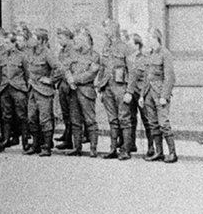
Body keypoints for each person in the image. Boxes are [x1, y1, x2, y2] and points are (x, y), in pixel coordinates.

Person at [96, 18, 136, 160]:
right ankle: (113, 149)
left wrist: (129, 91)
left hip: (120, 87)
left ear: (114, 29)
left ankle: (126, 150)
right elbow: (102, 68)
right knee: (112, 119)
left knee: (124, 119)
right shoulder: (106, 47)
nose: (104, 31)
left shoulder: (126, 47)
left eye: (107, 28)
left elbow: (132, 71)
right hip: (107, 87)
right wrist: (100, 88)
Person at [139, 28, 177, 163]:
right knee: (153, 124)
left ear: (155, 38)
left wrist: (164, 96)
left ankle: (172, 153)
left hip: (160, 94)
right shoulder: (150, 54)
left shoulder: (165, 54)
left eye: (148, 38)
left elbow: (170, 77)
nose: (147, 40)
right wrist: (142, 95)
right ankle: (159, 152)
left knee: (163, 123)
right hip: (149, 93)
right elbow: (146, 77)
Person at [63, 27, 100, 157]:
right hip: (73, 90)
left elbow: (91, 74)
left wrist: (75, 79)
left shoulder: (94, 56)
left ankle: (93, 148)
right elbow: (66, 68)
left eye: (78, 40)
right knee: (75, 120)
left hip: (86, 91)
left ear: (85, 41)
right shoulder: (73, 54)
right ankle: (77, 147)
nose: (75, 43)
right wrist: (70, 80)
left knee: (90, 120)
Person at [25, 28, 62, 157]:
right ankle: (35, 145)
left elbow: (59, 68)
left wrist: (50, 80)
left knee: (45, 119)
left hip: (44, 91)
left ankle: (47, 146)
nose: (31, 40)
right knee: (31, 118)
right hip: (32, 90)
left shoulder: (47, 53)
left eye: (34, 38)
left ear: (40, 40)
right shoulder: (31, 52)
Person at [0, 30, 30, 153]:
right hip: (5, 88)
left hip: (18, 88)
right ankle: (6, 139)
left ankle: (25, 141)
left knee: (21, 115)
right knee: (6, 115)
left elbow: (27, 74)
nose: (5, 45)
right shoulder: (1, 56)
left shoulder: (22, 56)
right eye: (4, 43)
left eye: (7, 43)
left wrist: (27, 88)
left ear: (13, 43)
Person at [127, 33, 154, 157]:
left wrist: (143, 94)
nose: (128, 45)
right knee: (131, 119)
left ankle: (151, 146)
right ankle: (131, 144)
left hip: (142, 92)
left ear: (137, 45)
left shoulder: (145, 58)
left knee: (147, 120)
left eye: (131, 43)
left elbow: (147, 78)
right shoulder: (128, 58)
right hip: (131, 92)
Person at [55, 27, 76, 151]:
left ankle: (69, 140)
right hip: (62, 84)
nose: (59, 40)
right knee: (65, 113)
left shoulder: (72, 50)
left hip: (69, 84)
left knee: (71, 113)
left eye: (61, 38)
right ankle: (67, 136)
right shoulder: (62, 51)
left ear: (68, 38)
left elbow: (65, 67)